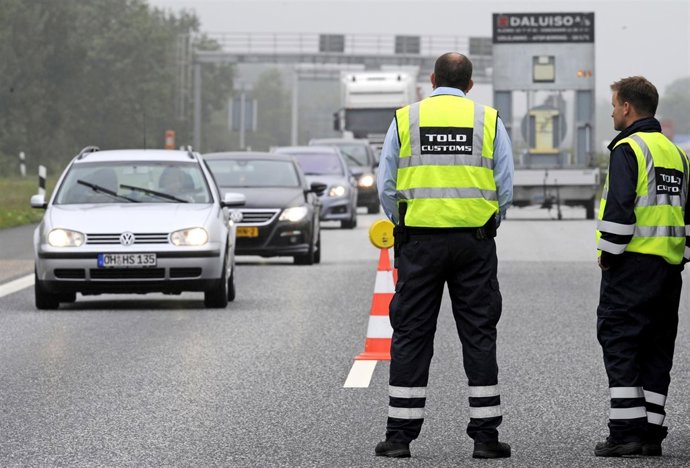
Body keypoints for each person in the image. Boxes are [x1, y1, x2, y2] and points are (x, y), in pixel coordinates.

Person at [375, 52, 514, 459]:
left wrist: (405, 221)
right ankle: (486, 438)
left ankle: (400, 437)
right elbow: (505, 183)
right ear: (470, 84)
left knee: (412, 334)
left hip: (419, 243)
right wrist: (489, 222)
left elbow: (386, 183)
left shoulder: (405, 119)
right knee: (479, 334)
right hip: (475, 243)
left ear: (433, 79)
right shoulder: (488, 120)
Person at [594, 76, 690, 457]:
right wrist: (679, 257)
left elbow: (619, 212)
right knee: (656, 349)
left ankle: (626, 432)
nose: (612, 111)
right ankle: (651, 432)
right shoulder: (676, 153)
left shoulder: (628, 149)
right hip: (668, 269)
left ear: (628, 108)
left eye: (614, 104)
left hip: (631, 265)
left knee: (620, 342)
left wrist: (608, 253)